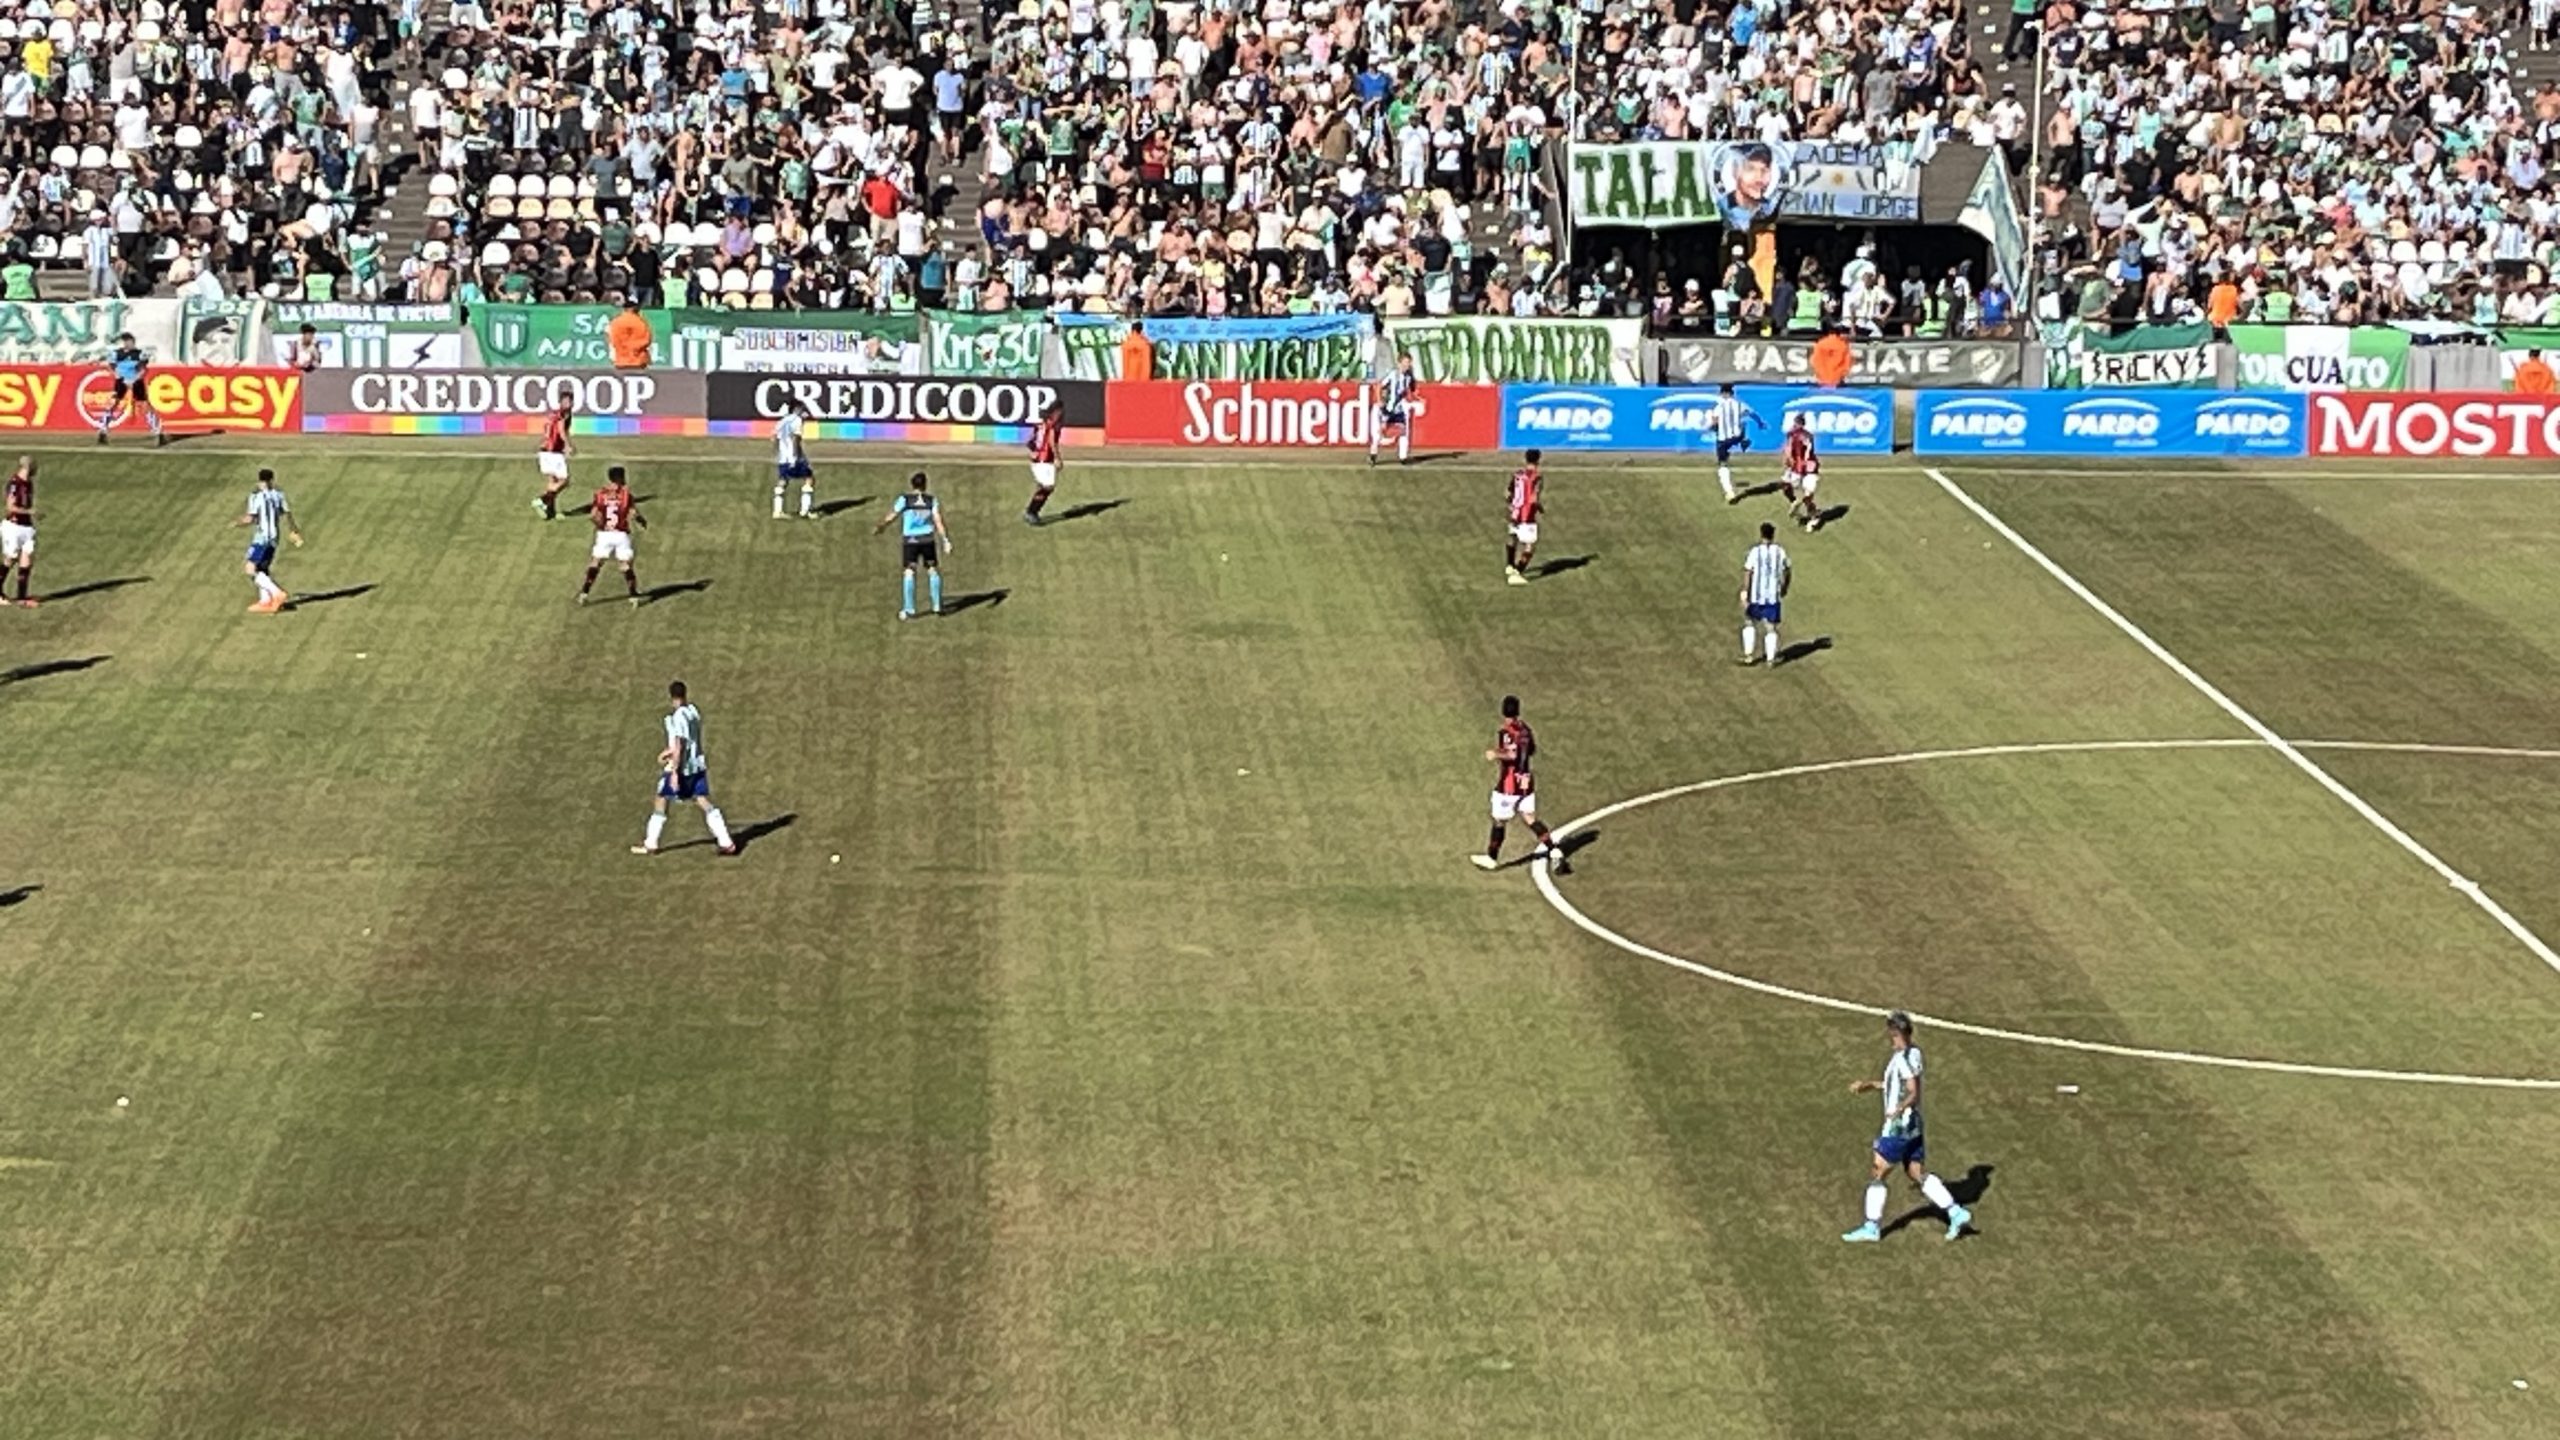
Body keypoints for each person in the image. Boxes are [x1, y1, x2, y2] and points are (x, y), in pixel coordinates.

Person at [1842, 1011, 1974, 1244]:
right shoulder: (1914, 1054)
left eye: (1892, 1034)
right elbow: (1898, 1083)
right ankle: (1956, 1212)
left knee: (1878, 1172)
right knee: (1915, 1172)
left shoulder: (1902, 1059)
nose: (1890, 1039)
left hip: (1898, 1128)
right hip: (1914, 1126)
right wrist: (1870, 1085)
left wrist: (1899, 1109)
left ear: (1897, 1034)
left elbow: (1913, 1090)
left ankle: (1871, 1227)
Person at [632, 680, 737, 857]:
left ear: (672, 697)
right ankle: (726, 841)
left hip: (683, 768)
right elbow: (690, 741)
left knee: (661, 799)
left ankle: (651, 844)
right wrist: (668, 752)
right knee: (702, 800)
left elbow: (680, 743)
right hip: (697, 765)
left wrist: (674, 772)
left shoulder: (679, 716)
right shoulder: (693, 711)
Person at [1469, 694, 1569, 874]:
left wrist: (1496, 754)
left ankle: (1492, 857)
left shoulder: (1506, 732)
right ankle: (1554, 849)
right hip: (1526, 783)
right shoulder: (1525, 730)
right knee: (1530, 818)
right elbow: (1531, 750)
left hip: (1509, 785)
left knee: (1499, 821)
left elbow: (1512, 755)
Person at [873, 470, 951, 620]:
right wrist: (945, 539)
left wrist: (881, 526)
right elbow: (938, 521)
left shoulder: (905, 500)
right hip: (927, 540)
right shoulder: (931, 501)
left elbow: (892, 515)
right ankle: (937, 606)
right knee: (932, 570)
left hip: (911, 541)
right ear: (925, 485)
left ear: (912, 485)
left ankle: (909, 609)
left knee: (909, 572)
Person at [232, 469, 303, 614]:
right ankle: (265, 601)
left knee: (250, 569)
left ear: (259, 481)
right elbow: (287, 514)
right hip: (274, 537)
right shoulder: (278, 495)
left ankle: (277, 593)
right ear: (272, 480)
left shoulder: (255, 496)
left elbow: (250, 518)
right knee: (263, 568)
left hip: (261, 538)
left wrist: (236, 522)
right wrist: (294, 531)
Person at [579, 465, 647, 606]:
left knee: (596, 563)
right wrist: (642, 521)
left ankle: (584, 593)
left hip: (605, 534)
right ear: (620, 478)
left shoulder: (600, 494)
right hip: (621, 534)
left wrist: (601, 526)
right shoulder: (626, 495)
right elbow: (633, 514)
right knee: (625, 565)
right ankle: (633, 596)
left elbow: (593, 515)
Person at [97, 332, 163, 446]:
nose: (127, 343)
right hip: (121, 380)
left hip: (135, 380)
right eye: (125, 341)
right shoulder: (117, 353)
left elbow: (143, 369)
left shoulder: (139, 354)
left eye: (129, 340)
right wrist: (119, 376)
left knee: (144, 405)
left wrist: (134, 379)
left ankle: (157, 431)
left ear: (133, 341)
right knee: (113, 403)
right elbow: (112, 367)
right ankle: (103, 430)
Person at [1739, 521, 1790, 667]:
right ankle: (1770, 659)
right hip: (1773, 596)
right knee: (1771, 627)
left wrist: (1745, 591)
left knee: (1749, 622)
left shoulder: (1755, 551)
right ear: (1773, 535)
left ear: (1761, 534)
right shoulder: (1780, 551)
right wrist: (1785, 586)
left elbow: (1748, 571)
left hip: (1756, 595)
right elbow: (1787, 571)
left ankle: (1749, 655)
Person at [1707, 383, 1763, 503]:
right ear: (1732, 394)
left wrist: (1710, 428)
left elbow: (1714, 423)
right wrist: (1760, 423)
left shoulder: (1719, 407)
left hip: (1723, 440)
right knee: (1743, 425)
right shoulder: (1739, 404)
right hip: (1736, 436)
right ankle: (1743, 441)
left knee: (1723, 464)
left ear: (1723, 393)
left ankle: (1730, 492)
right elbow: (1753, 414)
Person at [1370, 354, 1419, 467]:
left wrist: (1414, 396)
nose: (1407, 365)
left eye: (1409, 363)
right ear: (1399, 363)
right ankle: (1373, 454)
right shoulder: (1393, 374)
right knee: (1380, 433)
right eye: (1405, 362)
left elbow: (1411, 390)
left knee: (1403, 432)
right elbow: (1379, 386)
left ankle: (1403, 457)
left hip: (1398, 409)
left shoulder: (1408, 376)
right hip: (1388, 408)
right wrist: (1379, 400)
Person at [1504, 449, 1543, 586]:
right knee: (1530, 546)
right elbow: (1533, 498)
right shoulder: (1536, 477)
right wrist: (1539, 507)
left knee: (1513, 538)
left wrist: (1512, 506)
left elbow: (1508, 493)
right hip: (1527, 516)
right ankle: (1517, 573)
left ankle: (1509, 565)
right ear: (1538, 460)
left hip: (1515, 513)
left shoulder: (1517, 475)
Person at [1781, 414, 1824, 530]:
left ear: (1798, 423)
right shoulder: (1806, 435)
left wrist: (1788, 460)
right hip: (1805, 467)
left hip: (1803, 468)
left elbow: (1789, 449)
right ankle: (1798, 505)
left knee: (1802, 494)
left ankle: (1812, 516)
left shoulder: (1795, 435)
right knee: (1796, 491)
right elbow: (1790, 449)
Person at [1023, 399, 1063, 524]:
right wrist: (1057, 457)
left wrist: (1033, 451)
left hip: (1037, 460)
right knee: (1048, 487)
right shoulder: (1053, 426)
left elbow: (1029, 440)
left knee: (1042, 486)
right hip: (1045, 460)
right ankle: (1031, 512)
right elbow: (1052, 442)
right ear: (1055, 412)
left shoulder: (1040, 424)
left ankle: (1033, 510)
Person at [772, 400, 815, 519]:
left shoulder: (781, 421)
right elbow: (796, 438)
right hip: (793, 457)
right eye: (801, 409)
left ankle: (777, 511)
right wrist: (796, 455)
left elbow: (775, 438)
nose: (803, 411)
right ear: (796, 409)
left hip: (782, 457)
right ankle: (805, 511)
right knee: (809, 478)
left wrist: (778, 453)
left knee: (783, 480)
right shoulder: (797, 420)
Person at [0, 455, 33, 607]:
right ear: (28, 466)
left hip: (27, 527)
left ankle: (21, 597)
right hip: (13, 526)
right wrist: (30, 512)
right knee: (10, 559)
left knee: (27, 558)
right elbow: (10, 507)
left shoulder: (29, 483)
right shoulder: (15, 483)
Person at [532, 398, 574, 519]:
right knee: (565, 481)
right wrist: (567, 445)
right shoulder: (563, 414)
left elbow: (547, 430)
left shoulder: (553, 414)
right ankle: (542, 499)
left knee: (553, 481)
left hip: (544, 451)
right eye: (566, 402)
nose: (568, 404)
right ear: (561, 402)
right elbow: (561, 430)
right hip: (553, 452)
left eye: (570, 402)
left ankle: (550, 511)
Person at [608, 300, 653, 370]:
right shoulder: (639, 322)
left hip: (620, 361)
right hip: (637, 362)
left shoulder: (615, 322)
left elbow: (613, 341)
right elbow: (646, 340)